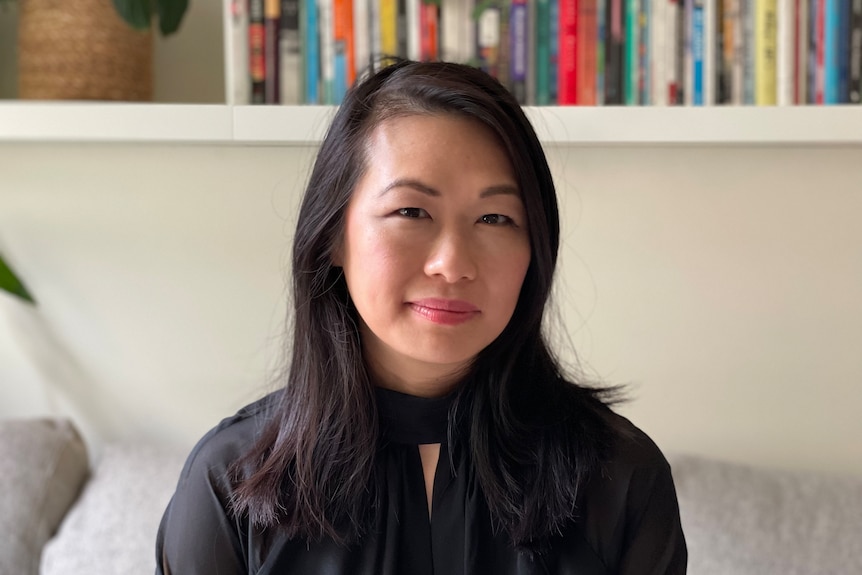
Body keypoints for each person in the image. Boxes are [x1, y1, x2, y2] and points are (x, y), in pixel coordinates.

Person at [155, 60, 687, 574]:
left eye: (495, 217)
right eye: (411, 212)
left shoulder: (622, 478)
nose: (452, 264)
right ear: (333, 236)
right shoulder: (229, 483)